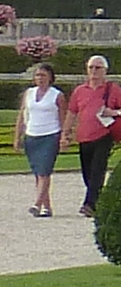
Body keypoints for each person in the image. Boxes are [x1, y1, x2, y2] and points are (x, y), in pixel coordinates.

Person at [19, 62, 63, 220]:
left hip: (50, 135)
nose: (40, 78)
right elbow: (22, 115)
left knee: (44, 171)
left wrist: (64, 137)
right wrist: (18, 136)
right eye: (37, 75)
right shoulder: (29, 93)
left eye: (43, 75)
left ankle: (37, 204)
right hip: (32, 135)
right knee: (38, 173)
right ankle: (47, 207)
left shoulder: (56, 95)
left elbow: (62, 117)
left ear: (50, 77)